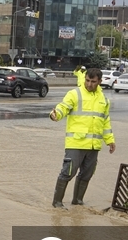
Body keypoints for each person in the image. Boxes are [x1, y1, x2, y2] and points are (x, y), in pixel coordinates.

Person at [49, 67, 115, 208]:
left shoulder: (104, 99)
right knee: (67, 173)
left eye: (93, 81)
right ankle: (57, 203)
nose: (89, 84)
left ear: (100, 82)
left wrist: (109, 140)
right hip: (76, 143)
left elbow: (105, 121)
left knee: (87, 174)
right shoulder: (74, 94)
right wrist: (55, 114)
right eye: (87, 80)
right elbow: (63, 107)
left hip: (93, 145)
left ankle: (77, 201)